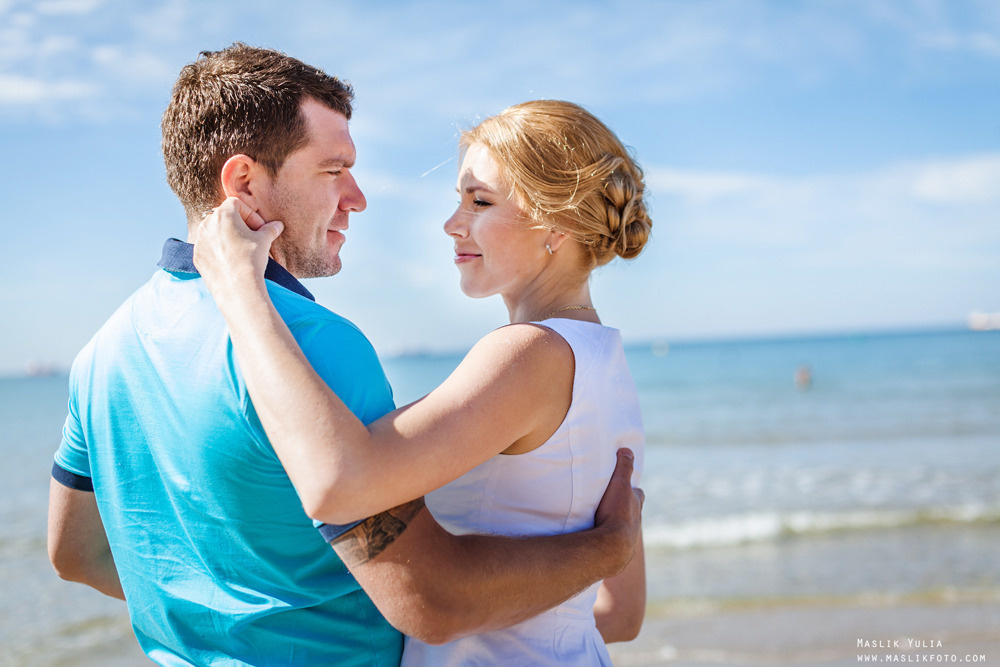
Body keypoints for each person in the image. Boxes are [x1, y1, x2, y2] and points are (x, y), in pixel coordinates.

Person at [46, 45, 643, 666]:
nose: (357, 198)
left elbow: (76, 554)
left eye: (479, 201)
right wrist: (607, 551)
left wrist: (221, 603)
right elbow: (427, 598)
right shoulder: (313, 343)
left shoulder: (101, 351)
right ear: (243, 182)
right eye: (334, 170)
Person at [193, 99, 651, 665]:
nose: (451, 223)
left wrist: (239, 288)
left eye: (479, 201)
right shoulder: (607, 363)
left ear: (554, 223)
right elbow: (622, 615)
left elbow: (339, 484)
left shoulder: (528, 353)